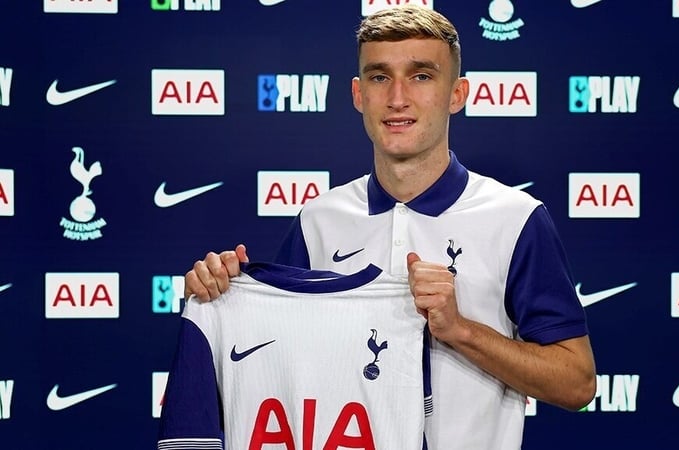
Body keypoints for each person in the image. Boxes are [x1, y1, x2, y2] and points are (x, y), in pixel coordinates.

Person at [184, 5, 596, 449]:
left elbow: (576, 383)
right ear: (358, 94)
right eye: (380, 77)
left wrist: (460, 330)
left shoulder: (515, 218)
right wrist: (221, 296)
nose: (398, 98)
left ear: (457, 94)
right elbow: (273, 363)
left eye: (421, 76)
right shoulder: (319, 220)